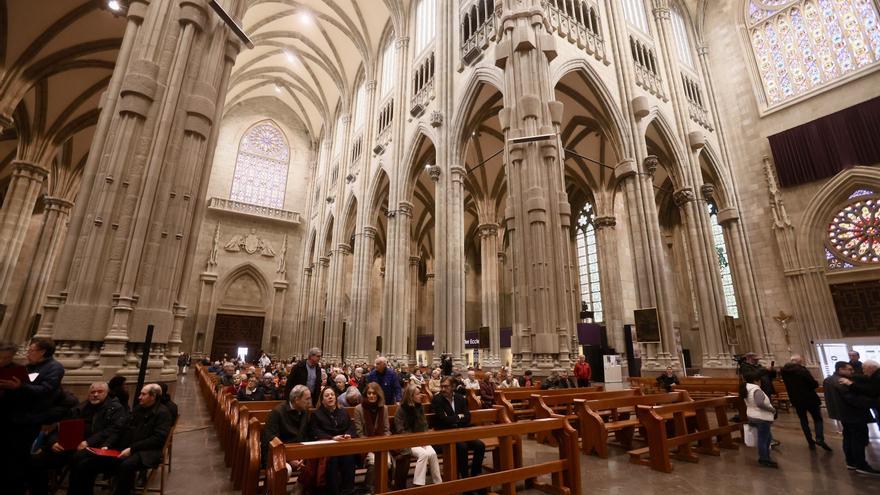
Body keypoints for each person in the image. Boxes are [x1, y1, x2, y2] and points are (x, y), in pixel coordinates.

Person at [68, 383, 173, 495]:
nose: (139, 397)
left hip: (145, 452)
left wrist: (132, 449)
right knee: (86, 463)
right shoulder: (138, 409)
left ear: (153, 397)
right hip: (125, 448)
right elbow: (120, 429)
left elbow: (157, 439)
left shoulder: (163, 413)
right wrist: (107, 445)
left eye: (143, 394)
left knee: (126, 465)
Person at [29, 382, 128, 495]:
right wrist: (53, 442)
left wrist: (88, 442)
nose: (95, 394)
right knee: (36, 461)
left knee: (81, 463)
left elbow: (112, 430)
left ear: (107, 393)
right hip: (70, 446)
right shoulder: (79, 408)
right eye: (92, 392)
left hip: (96, 448)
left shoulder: (115, 408)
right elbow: (61, 427)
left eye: (99, 392)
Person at [0, 337, 65, 495]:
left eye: (31, 350)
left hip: (29, 420)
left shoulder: (54, 368)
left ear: (42, 352)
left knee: (17, 458)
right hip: (12, 416)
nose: (27, 353)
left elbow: (46, 390)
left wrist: (20, 387)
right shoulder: (29, 366)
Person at [824, 361, 880, 476]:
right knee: (858, 440)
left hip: (844, 415)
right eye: (849, 369)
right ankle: (861, 465)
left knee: (848, 438)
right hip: (854, 415)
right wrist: (875, 402)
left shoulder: (829, 380)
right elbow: (853, 399)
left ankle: (851, 462)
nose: (852, 372)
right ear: (841, 369)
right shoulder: (841, 382)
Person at [431, 376, 485, 480]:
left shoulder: (460, 398)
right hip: (446, 433)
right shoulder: (437, 400)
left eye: (446, 387)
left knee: (480, 445)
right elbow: (442, 419)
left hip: (461, 432)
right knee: (462, 447)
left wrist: (454, 419)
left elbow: (468, 417)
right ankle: (464, 478)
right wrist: (459, 417)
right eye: (441, 386)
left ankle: (474, 475)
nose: (442, 389)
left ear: (453, 386)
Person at [308, 387, 357, 494]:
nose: (330, 397)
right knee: (332, 460)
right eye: (327, 395)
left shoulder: (343, 412)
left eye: (332, 395)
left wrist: (348, 435)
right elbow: (315, 432)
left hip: (343, 446)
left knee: (349, 457)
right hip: (327, 448)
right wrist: (332, 438)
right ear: (322, 400)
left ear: (336, 397)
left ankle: (348, 490)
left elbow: (351, 427)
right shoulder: (316, 414)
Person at [780, 355, 830, 450]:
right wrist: (815, 383)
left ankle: (810, 442)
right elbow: (813, 384)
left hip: (796, 399)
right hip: (809, 398)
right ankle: (819, 438)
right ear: (798, 362)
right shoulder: (802, 370)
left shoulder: (784, 371)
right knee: (817, 419)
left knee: (803, 420)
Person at [395, 384, 442, 486]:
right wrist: (415, 439)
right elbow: (400, 429)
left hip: (420, 439)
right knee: (423, 454)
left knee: (433, 454)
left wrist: (423, 439)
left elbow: (424, 425)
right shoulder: (401, 409)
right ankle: (418, 484)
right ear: (410, 396)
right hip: (407, 441)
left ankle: (438, 483)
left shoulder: (419, 407)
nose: (421, 395)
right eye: (418, 394)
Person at [353, 382, 390, 491]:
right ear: (365, 394)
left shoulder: (384, 408)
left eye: (374, 393)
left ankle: (380, 488)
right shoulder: (359, 409)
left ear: (378, 395)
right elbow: (359, 433)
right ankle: (368, 488)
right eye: (369, 393)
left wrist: (383, 442)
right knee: (374, 462)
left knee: (386, 463)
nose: (371, 396)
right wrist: (372, 446)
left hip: (382, 445)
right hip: (366, 446)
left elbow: (387, 430)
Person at [740, 371, 777, 468]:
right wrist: (772, 409)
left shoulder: (746, 388)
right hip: (761, 417)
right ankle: (764, 459)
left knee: (766, 438)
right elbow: (760, 404)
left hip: (752, 415)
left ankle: (765, 457)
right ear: (756, 380)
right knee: (764, 439)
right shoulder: (756, 390)